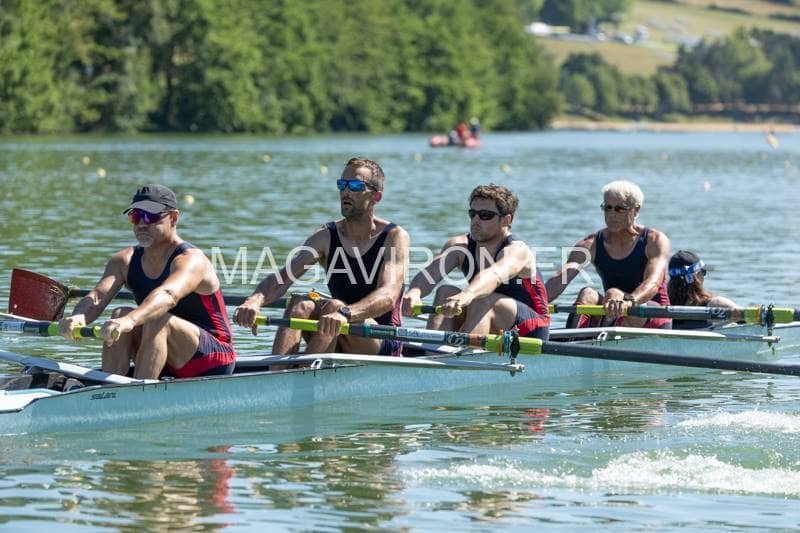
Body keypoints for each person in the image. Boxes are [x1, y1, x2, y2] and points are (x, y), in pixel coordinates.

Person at [233, 157, 409, 356]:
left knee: (334, 305)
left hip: (380, 338)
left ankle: (305, 370)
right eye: (342, 184)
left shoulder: (394, 237)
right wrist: (254, 301)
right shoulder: (325, 236)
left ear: (376, 197)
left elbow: (388, 296)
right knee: (300, 303)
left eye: (355, 186)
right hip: (335, 325)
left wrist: (345, 313)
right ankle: (279, 369)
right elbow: (282, 279)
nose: (346, 192)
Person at [57, 184, 236, 379]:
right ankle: (108, 388)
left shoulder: (192, 260)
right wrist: (79, 316)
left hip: (214, 358)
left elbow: (168, 296)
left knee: (154, 319)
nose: (142, 224)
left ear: (174, 218)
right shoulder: (124, 261)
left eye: (151, 216)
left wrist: (129, 321)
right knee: (119, 314)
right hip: (161, 351)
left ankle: (140, 390)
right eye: (136, 216)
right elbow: (97, 297)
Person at [402, 184, 550, 340]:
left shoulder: (517, 250)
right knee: (445, 291)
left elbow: (494, 275)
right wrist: (414, 292)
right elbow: (430, 273)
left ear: (506, 220)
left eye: (485, 215)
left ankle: (462, 349)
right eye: (472, 214)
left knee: (483, 300)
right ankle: (432, 349)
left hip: (533, 327)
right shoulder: (459, 246)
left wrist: (466, 294)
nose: (475, 220)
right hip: (490, 318)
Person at [545, 180, 671, 329]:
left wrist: (629, 301)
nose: (611, 215)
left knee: (613, 293)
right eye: (607, 208)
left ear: (636, 210)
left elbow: (653, 283)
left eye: (619, 209)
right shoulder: (591, 243)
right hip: (615, 311)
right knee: (587, 293)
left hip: (653, 315)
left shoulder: (654, 240)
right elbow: (560, 278)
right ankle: (571, 340)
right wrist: (534, 302)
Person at [668, 250, 737, 330]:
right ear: (697, 275)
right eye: (703, 272)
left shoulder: (661, 307)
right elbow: (746, 318)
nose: (703, 277)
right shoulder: (717, 304)